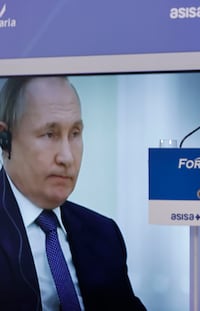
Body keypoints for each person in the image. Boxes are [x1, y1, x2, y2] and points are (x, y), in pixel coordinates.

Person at [0, 76, 146, 311]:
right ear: (5, 139)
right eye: (50, 134)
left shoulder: (104, 234)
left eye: (75, 133)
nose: (67, 157)